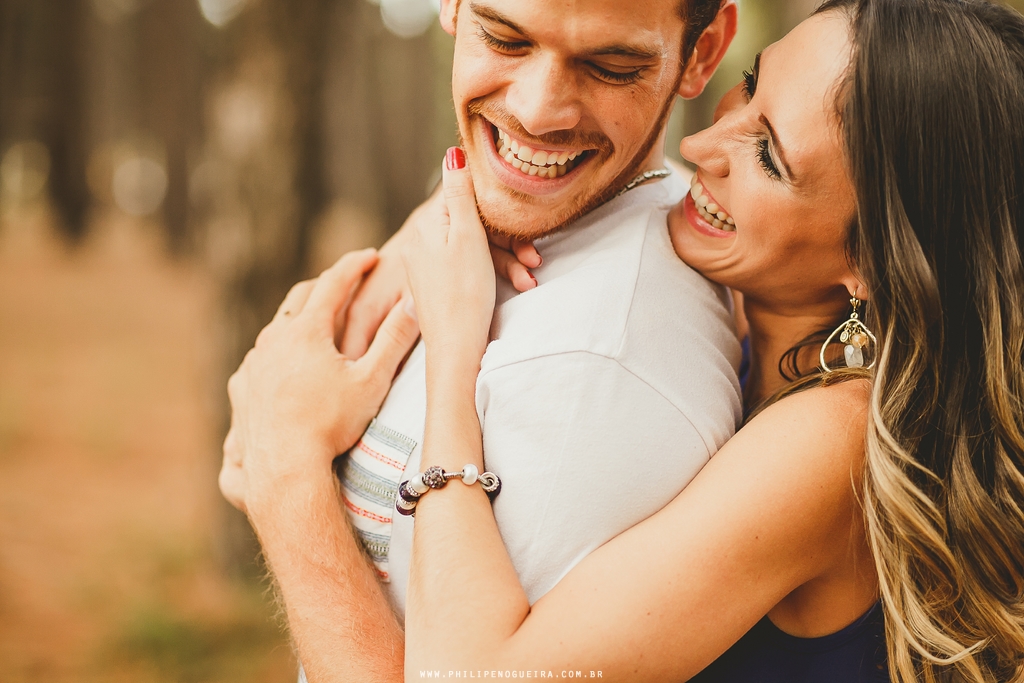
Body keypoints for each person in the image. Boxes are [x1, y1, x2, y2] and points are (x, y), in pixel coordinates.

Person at [224, 0, 1024, 680]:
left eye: (770, 157)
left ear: (877, 265)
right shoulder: (755, 315)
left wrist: (451, 355)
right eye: (748, 89)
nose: (705, 148)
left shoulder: (832, 440)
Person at [222, 0, 746, 680]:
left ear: (702, 53)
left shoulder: (602, 364)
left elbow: (263, 443)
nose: (536, 110)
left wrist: (288, 475)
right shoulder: (492, 213)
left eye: (610, 66)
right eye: (503, 37)